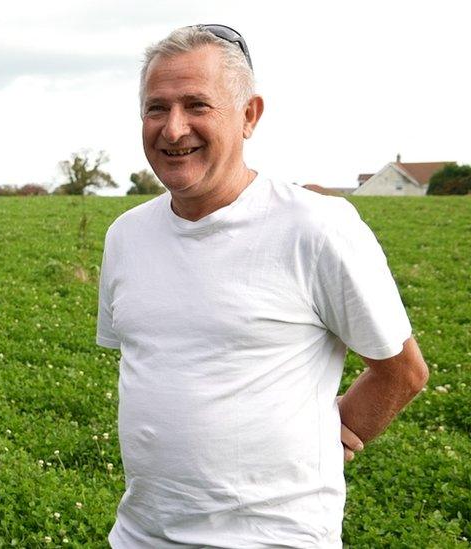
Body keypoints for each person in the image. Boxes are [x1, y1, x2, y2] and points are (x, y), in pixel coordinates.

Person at [96, 25, 428, 547]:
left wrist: (348, 431)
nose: (173, 128)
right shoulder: (127, 235)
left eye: (196, 106)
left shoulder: (316, 228)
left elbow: (402, 371)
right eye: (156, 108)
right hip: (141, 534)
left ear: (249, 115)